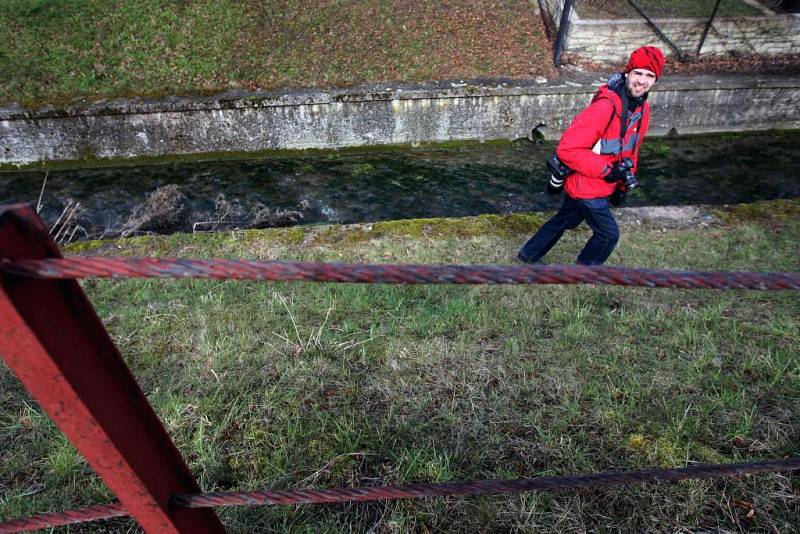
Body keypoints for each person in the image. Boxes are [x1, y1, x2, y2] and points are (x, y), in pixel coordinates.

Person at [517, 46, 665, 266]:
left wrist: (623, 185)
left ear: (655, 80)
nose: (642, 81)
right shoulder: (606, 106)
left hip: (602, 183)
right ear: (627, 74)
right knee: (608, 235)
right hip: (586, 185)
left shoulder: (642, 110)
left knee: (563, 221)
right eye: (638, 73)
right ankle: (583, 273)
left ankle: (527, 255)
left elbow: (631, 151)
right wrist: (608, 171)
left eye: (649, 75)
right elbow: (567, 149)